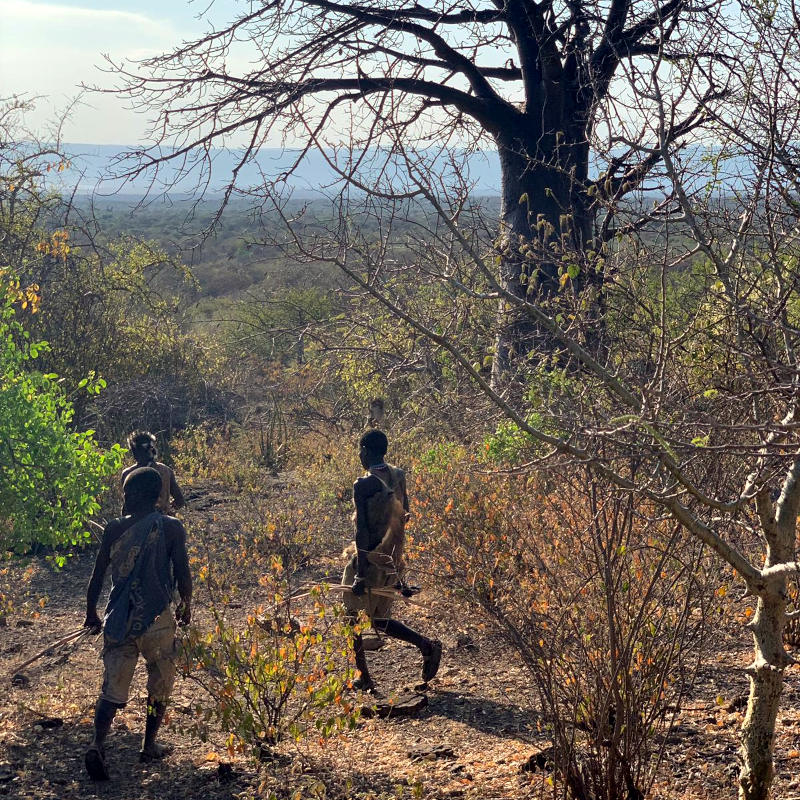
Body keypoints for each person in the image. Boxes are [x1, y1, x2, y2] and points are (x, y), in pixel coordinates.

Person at [83, 467, 192, 781]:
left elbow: (98, 575)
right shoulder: (172, 528)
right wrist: (186, 604)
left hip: (118, 618)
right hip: (157, 617)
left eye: (128, 492)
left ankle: (97, 744)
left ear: (140, 495)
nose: (125, 497)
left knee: (112, 688)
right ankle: (149, 745)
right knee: (160, 681)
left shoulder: (114, 528)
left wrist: (92, 612)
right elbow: (182, 573)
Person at [343, 430, 441, 691]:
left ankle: (363, 676)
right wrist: (398, 572)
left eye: (360, 451)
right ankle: (426, 645)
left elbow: (361, 531)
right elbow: (403, 517)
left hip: (369, 561)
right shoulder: (398, 476)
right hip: (392, 560)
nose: (359, 455)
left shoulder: (362, 485)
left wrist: (361, 574)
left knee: (351, 619)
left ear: (365, 450)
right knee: (379, 620)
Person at [121, 431, 185, 515]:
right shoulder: (165, 470)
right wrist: (167, 511)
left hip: (137, 522)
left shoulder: (128, 474)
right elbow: (180, 501)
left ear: (134, 452)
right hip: (160, 520)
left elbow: (126, 508)